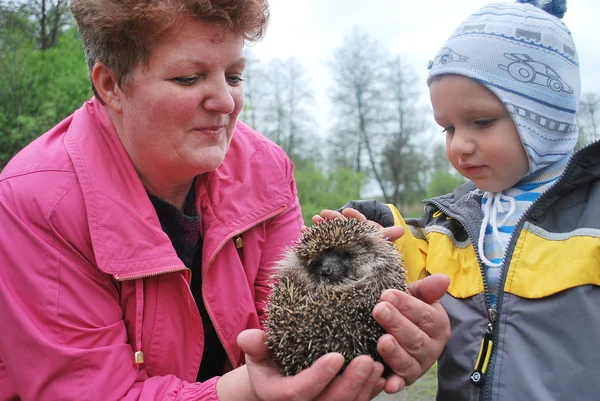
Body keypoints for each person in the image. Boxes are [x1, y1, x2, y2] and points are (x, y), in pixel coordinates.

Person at [0, 1, 451, 400]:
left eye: (234, 75)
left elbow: (291, 333)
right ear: (111, 84)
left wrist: (373, 323)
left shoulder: (267, 170)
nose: (225, 101)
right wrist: (247, 391)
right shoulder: (34, 202)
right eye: (189, 77)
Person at [327, 0, 600, 400]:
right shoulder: (456, 219)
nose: (460, 145)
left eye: (482, 122)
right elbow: (419, 271)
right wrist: (381, 232)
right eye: (448, 128)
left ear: (546, 117)